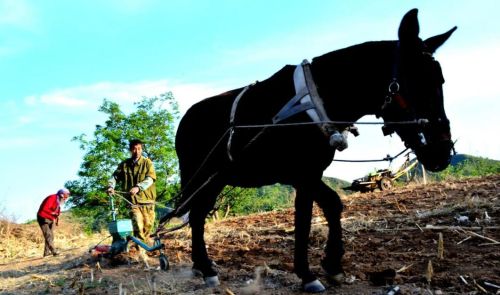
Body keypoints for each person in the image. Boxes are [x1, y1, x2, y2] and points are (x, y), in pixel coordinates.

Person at [107, 139, 157, 246]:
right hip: (132, 202)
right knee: (138, 225)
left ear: (141, 149)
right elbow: (114, 177)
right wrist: (111, 186)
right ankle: (141, 250)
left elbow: (150, 179)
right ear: (130, 150)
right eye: (134, 149)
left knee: (148, 225)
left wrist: (138, 187)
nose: (137, 151)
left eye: (139, 149)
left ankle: (144, 245)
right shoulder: (124, 165)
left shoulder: (148, 163)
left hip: (147, 201)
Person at [37, 188, 70, 257]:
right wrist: (53, 213)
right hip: (43, 217)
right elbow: (45, 208)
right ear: (61, 194)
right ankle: (54, 251)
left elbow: (56, 211)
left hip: (51, 218)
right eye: (65, 197)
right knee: (48, 235)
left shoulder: (58, 201)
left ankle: (46, 253)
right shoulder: (52, 198)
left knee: (51, 235)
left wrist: (55, 218)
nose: (65, 199)